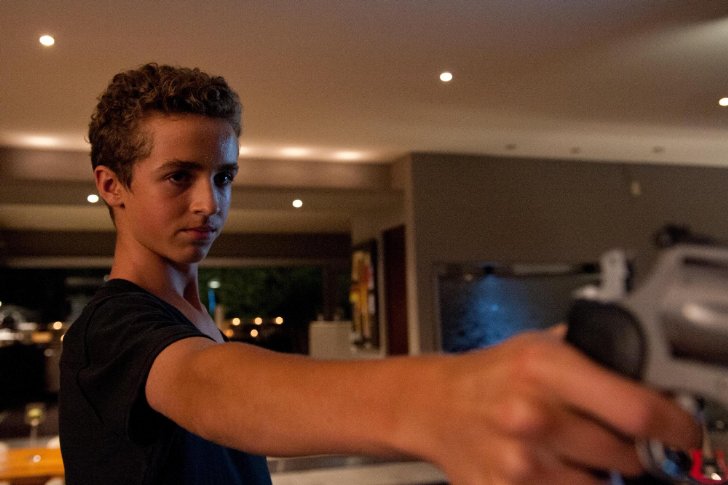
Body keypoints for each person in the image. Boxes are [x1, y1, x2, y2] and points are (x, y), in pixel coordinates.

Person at [58, 63, 699, 485]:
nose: (210, 202)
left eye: (223, 176)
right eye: (179, 176)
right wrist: (449, 400)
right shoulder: (110, 329)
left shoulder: (193, 317)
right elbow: (212, 387)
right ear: (111, 185)